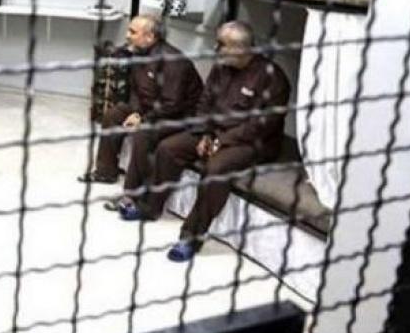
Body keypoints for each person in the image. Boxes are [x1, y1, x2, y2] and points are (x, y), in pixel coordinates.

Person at [131, 21, 291, 262]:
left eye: (221, 44)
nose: (216, 48)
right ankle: (150, 207)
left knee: (216, 168)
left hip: (251, 141)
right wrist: (205, 133)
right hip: (214, 132)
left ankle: (191, 237)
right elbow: (205, 103)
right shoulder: (221, 67)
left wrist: (222, 141)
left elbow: (261, 125)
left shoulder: (273, 78)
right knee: (168, 148)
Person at [78, 15, 203, 206]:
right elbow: (135, 90)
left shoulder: (173, 62)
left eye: (133, 32)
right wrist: (137, 112)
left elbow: (172, 104)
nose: (127, 36)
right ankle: (106, 172)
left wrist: (144, 119)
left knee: (144, 133)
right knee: (113, 114)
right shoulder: (138, 54)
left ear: (150, 37)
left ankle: (132, 196)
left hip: (178, 117)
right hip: (150, 108)